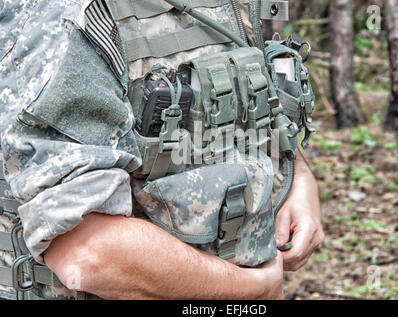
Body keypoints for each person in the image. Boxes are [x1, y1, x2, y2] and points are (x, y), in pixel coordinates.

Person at [0, 0, 323, 300]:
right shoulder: (74, 14)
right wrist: (248, 290)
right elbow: (88, 254)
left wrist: (298, 177)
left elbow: (250, 96)